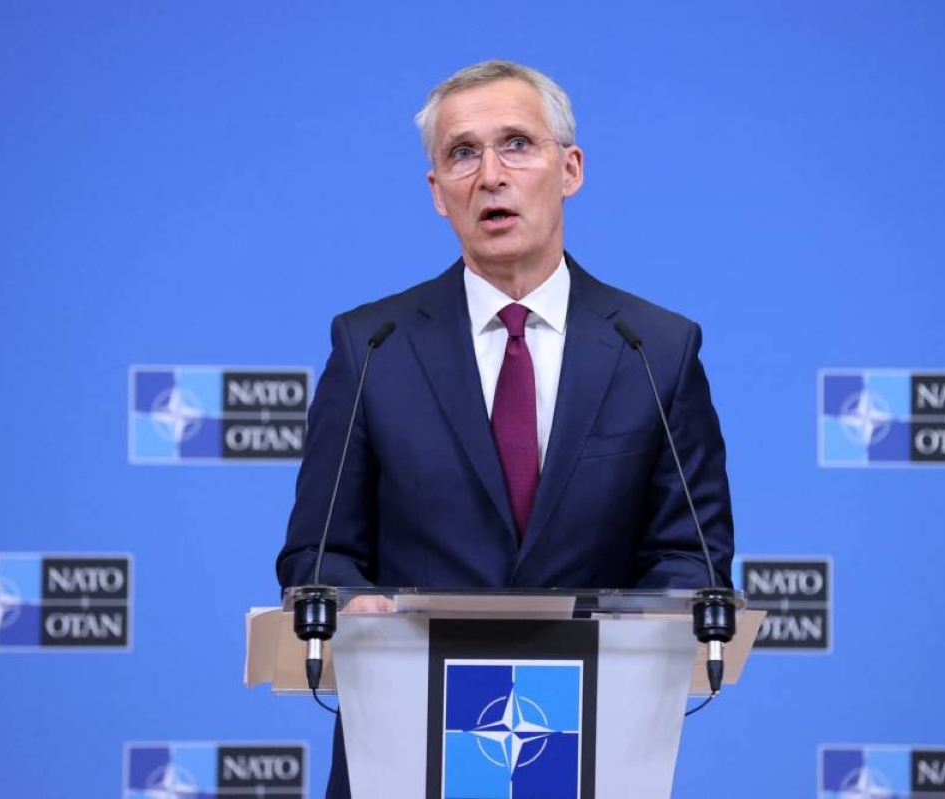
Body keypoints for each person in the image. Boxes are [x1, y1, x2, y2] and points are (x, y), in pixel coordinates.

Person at [276, 59, 735, 799]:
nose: (490, 174)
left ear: (570, 169)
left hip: (589, 738)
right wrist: (353, 605)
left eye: (517, 144)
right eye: (463, 153)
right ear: (437, 192)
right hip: (406, 740)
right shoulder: (373, 346)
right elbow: (318, 551)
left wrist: (644, 628)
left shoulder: (656, 349)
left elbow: (692, 558)